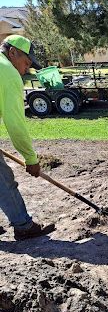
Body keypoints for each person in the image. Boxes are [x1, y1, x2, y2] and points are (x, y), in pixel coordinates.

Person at [0, 34, 55, 241]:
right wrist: (31, 159)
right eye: (26, 62)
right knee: (3, 181)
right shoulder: (7, 72)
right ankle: (24, 226)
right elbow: (15, 124)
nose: (27, 69)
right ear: (12, 52)